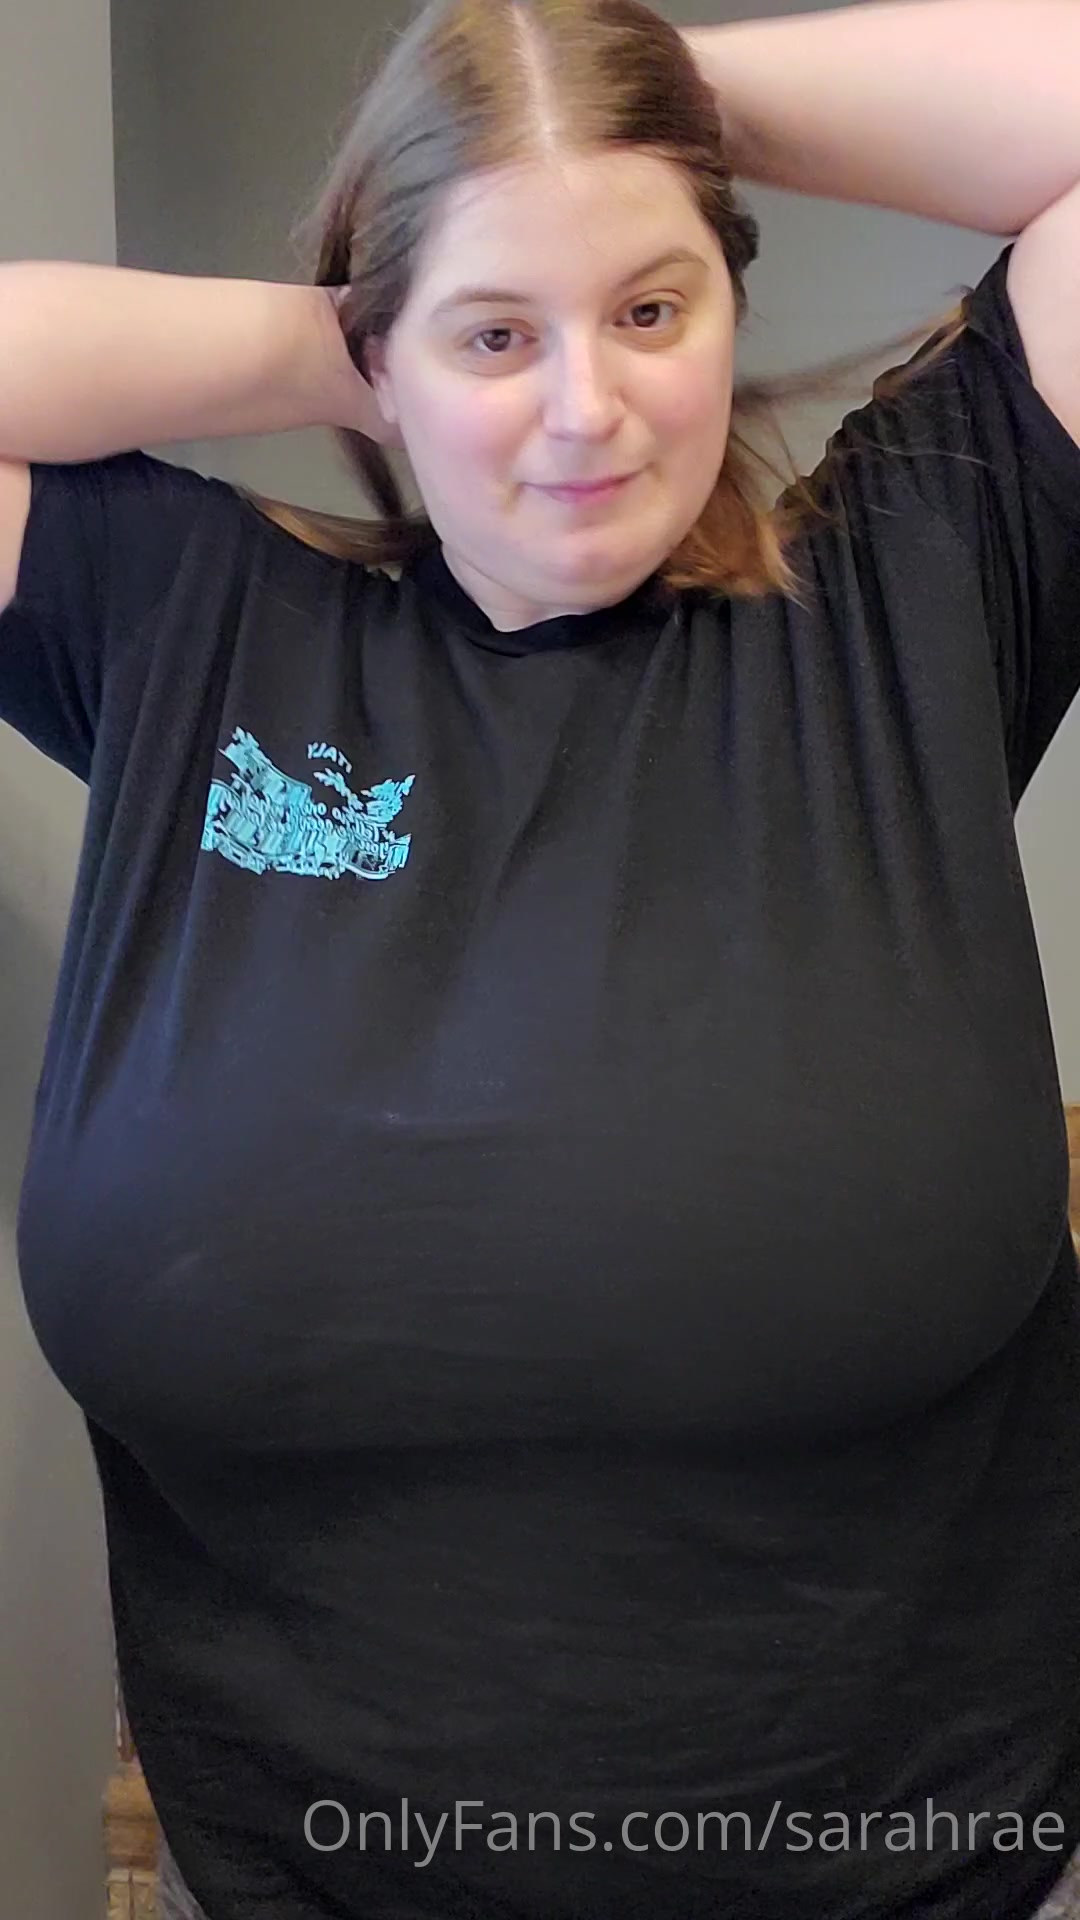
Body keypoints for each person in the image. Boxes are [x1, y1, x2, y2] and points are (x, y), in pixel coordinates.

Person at [2, 0, 1080, 1915]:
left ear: (728, 303)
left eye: (651, 309)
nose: (589, 408)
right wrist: (368, 322)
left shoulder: (912, 588)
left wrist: (618, 99)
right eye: (497, 337)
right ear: (382, 356)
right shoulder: (189, 627)